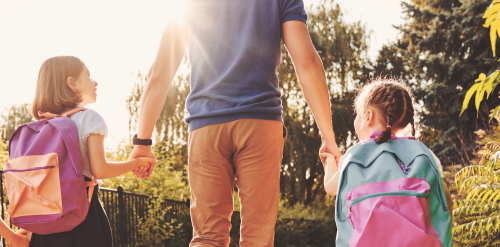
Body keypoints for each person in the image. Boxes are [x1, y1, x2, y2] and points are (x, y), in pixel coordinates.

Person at [129, 0, 342, 246]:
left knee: (207, 237)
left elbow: (160, 72)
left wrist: (143, 142)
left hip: (206, 124)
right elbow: (307, 63)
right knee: (258, 238)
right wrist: (329, 138)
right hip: (260, 122)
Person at [28, 56, 155, 247]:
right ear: (71, 83)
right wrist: (138, 162)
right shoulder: (88, 119)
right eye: (88, 75)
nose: (95, 82)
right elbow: (99, 170)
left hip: (43, 222)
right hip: (82, 216)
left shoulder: (39, 126)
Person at [322, 79, 452, 246]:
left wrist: (330, 162)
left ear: (368, 115)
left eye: (357, 113)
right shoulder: (422, 153)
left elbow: (331, 188)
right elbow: (443, 197)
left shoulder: (356, 156)